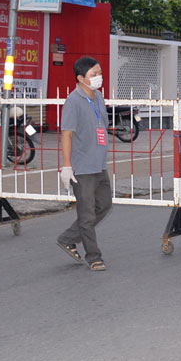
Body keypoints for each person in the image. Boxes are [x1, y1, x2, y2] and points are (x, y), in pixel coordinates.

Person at [57, 56, 114, 271]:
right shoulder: (73, 101)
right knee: (87, 213)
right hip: (82, 168)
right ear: (81, 78)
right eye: (93, 74)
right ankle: (94, 257)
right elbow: (67, 135)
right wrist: (67, 166)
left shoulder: (98, 97)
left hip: (99, 165)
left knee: (105, 205)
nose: (98, 77)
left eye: (99, 73)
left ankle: (67, 238)